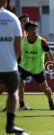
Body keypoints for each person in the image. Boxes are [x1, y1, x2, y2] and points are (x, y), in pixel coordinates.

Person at [0, 0, 27, 133]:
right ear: (5, 2)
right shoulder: (12, 18)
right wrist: (10, 61)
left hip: (8, 64)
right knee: (12, 93)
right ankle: (10, 125)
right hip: (8, 66)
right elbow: (18, 48)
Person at [18, 21, 54, 110]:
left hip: (37, 69)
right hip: (24, 66)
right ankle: (21, 104)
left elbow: (49, 52)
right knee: (19, 84)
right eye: (31, 29)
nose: (34, 31)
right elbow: (17, 51)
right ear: (26, 31)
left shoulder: (42, 41)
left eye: (35, 29)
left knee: (45, 89)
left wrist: (53, 65)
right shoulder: (22, 39)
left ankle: (50, 100)